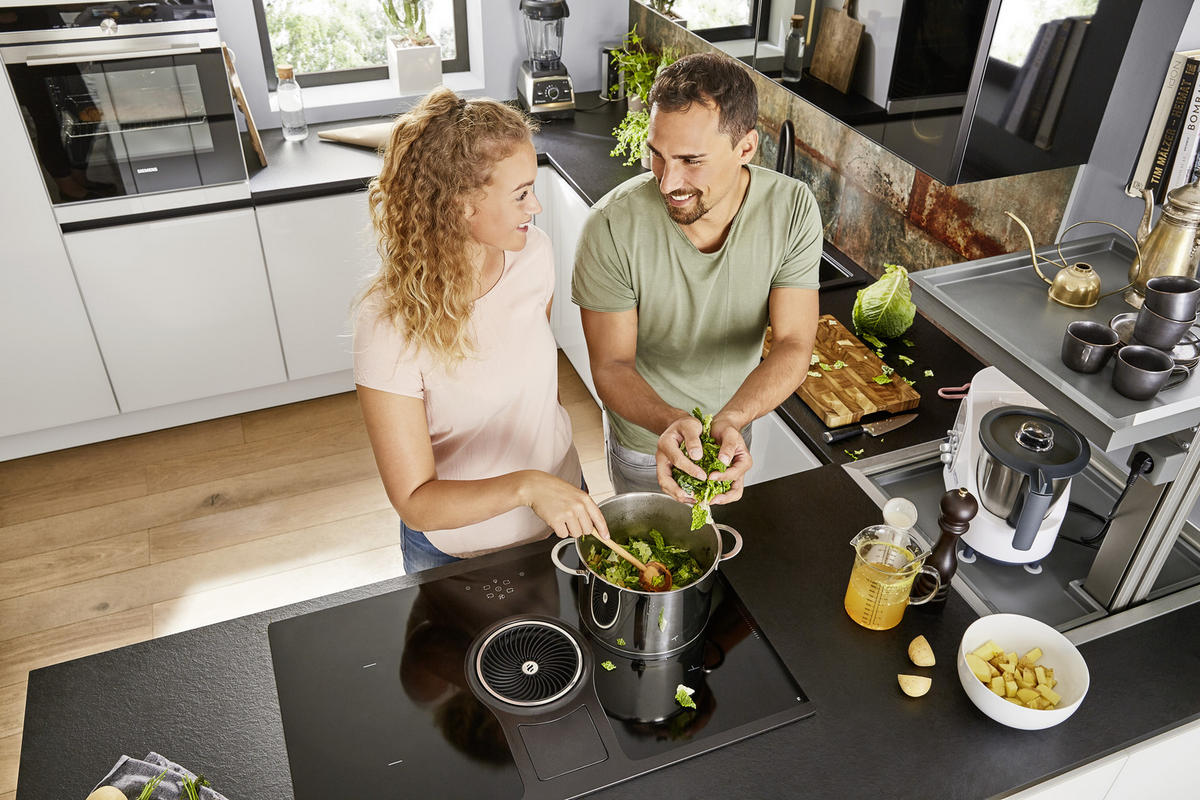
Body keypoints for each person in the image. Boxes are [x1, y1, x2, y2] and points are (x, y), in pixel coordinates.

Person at [354, 88, 609, 575]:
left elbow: (534, 390)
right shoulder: (389, 323)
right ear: (459, 205)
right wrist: (527, 486)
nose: (534, 207)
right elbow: (414, 501)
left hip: (564, 517)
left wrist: (549, 487)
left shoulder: (533, 255)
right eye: (520, 194)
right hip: (460, 554)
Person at [572, 52, 822, 506]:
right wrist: (670, 422)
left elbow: (793, 344)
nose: (668, 182)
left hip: (735, 431)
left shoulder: (793, 209)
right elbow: (611, 366)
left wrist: (732, 420)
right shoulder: (611, 225)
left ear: (745, 148)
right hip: (648, 442)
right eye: (658, 156)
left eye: (691, 160)